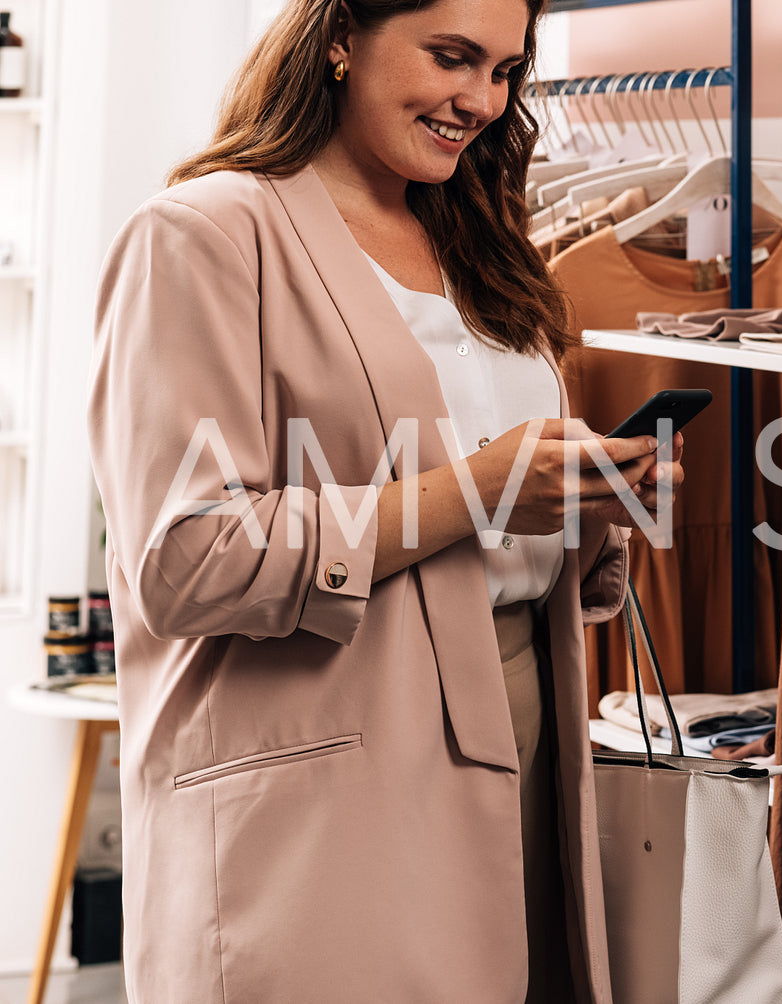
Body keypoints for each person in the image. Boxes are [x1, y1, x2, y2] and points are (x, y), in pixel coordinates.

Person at [86, 0, 684, 999]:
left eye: (504, 70)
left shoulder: (478, 240)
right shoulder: (204, 235)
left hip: (526, 727)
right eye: (451, 58)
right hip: (329, 767)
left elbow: (503, 525)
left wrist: (584, 506)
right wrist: (475, 493)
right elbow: (184, 561)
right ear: (339, 35)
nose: (480, 101)